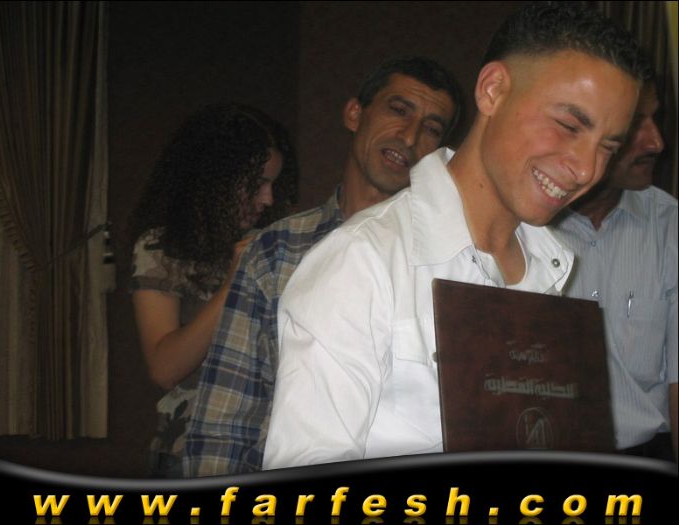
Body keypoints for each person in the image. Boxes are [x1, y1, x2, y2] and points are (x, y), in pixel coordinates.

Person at [263, 2, 648, 469]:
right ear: (493, 90)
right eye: (568, 126)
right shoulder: (361, 263)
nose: (587, 169)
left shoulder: (552, 267)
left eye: (608, 146)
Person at [183, 56, 462, 476]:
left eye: (432, 128)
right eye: (399, 110)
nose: (410, 136)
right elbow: (225, 422)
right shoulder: (276, 251)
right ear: (354, 114)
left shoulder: (450, 262)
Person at [129, 103, 296, 477]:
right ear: (216, 180)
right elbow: (164, 367)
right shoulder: (162, 247)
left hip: (264, 448)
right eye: (256, 185)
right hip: (190, 452)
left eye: (273, 185)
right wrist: (234, 282)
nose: (267, 199)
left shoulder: (268, 243)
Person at [552, 80, 677, 461]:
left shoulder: (670, 226)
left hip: (645, 454)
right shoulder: (520, 223)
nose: (657, 142)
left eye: (655, 120)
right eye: (635, 123)